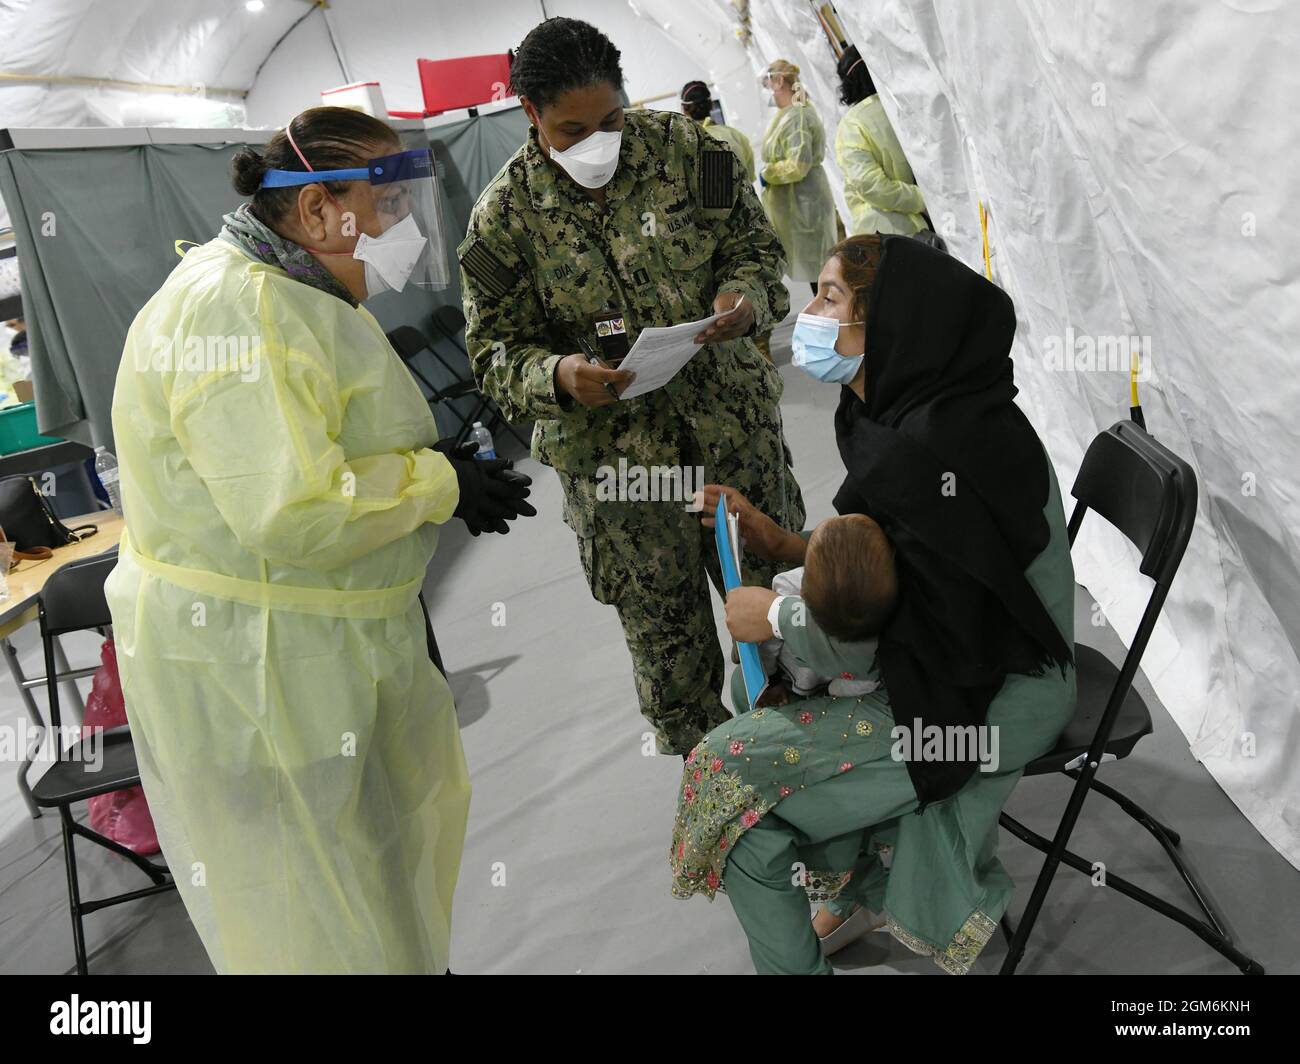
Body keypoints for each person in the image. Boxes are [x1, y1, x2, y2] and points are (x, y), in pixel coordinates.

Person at [105, 106, 536, 974]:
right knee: (314, 909)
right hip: (258, 662)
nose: (402, 228)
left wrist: (426, 470)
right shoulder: (239, 309)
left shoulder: (288, 287)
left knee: (367, 881)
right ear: (313, 211)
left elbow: (321, 438)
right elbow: (291, 509)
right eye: (386, 206)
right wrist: (437, 485)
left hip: (310, 644)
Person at [671, 233, 1077, 975]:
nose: (812, 314)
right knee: (748, 693)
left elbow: (920, 625)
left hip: (991, 696)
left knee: (726, 784)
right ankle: (860, 888)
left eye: (831, 298)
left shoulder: (941, 445)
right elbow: (897, 557)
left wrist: (780, 616)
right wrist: (790, 547)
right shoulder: (912, 410)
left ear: (889, 323)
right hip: (962, 668)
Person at [459, 18, 805, 757]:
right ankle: (728, 813)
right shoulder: (502, 222)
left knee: (790, 623)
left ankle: (823, 784)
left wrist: (743, 301)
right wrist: (555, 375)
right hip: (623, 484)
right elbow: (492, 351)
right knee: (672, 665)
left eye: (610, 120)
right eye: (571, 129)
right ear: (530, 115)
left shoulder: (692, 155)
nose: (597, 142)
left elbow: (754, 248)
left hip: (734, 442)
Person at [753, 514, 895, 706]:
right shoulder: (877, 651)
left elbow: (767, 643)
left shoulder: (789, 596)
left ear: (803, 593)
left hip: (790, 677)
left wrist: (771, 680)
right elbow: (858, 685)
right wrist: (832, 691)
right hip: (835, 683)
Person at [759, 60, 839, 293]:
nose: (769, 90)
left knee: (820, 271)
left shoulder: (798, 116)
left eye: (769, 83)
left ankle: (833, 323)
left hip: (805, 204)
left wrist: (769, 174)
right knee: (816, 271)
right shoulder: (789, 113)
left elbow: (798, 164)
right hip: (798, 204)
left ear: (780, 81)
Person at [833, 46, 927, 236]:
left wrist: (920, 200)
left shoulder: (852, 125)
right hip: (933, 222)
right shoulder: (903, 104)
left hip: (886, 231)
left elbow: (872, 187)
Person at [680, 81, 756, 182]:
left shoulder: (683, 143)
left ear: (684, 110)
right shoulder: (735, 135)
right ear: (711, 104)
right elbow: (749, 176)